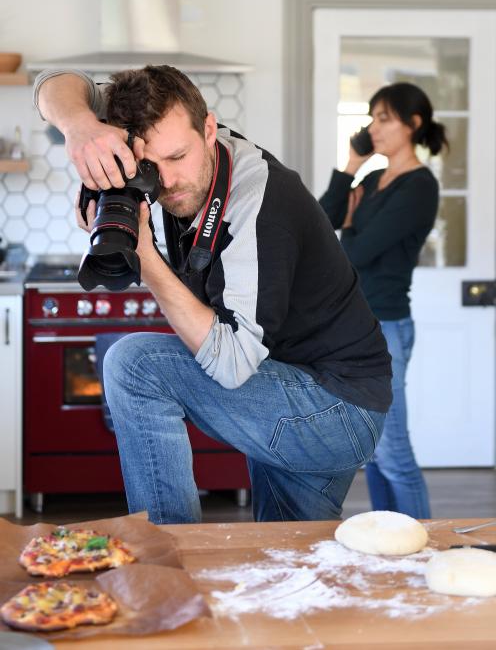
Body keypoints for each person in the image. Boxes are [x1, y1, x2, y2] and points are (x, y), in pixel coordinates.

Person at [33, 66, 392, 524]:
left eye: (178, 157)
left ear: (208, 128)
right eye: (148, 170)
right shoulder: (155, 118)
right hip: (288, 378)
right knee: (287, 569)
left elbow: (231, 362)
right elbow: (52, 83)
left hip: (333, 405)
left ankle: (170, 557)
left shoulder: (260, 205)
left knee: (134, 364)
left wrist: (145, 256)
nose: (168, 181)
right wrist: (80, 128)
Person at [319, 82, 448, 519]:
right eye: (371, 117)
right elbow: (323, 223)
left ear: (413, 125)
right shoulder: (372, 179)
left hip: (388, 327)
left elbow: (354, 252)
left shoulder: (419, 187)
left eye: (384, 118)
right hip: (358, 328)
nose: (373, 127)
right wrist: (352, 165)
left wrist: (351, 225)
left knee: (393, 452)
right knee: (371, 450)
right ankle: (390, 540)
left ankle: (423, 549)